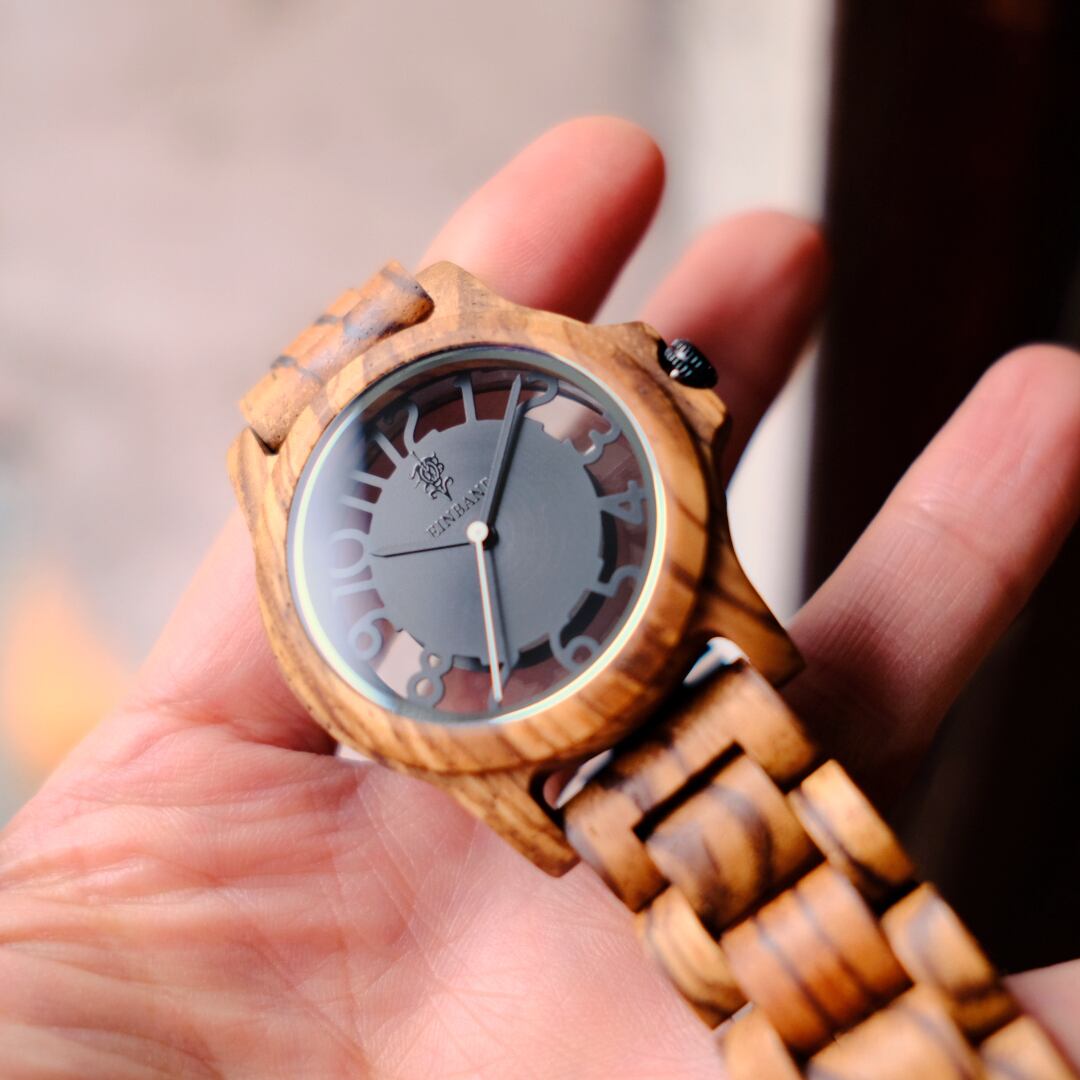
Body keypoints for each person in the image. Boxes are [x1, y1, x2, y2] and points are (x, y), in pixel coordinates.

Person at [0, 117, 1076, 1078]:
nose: (479, 533)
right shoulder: (339, 583)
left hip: (656, 685)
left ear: (659, 381)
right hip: (595, 738)